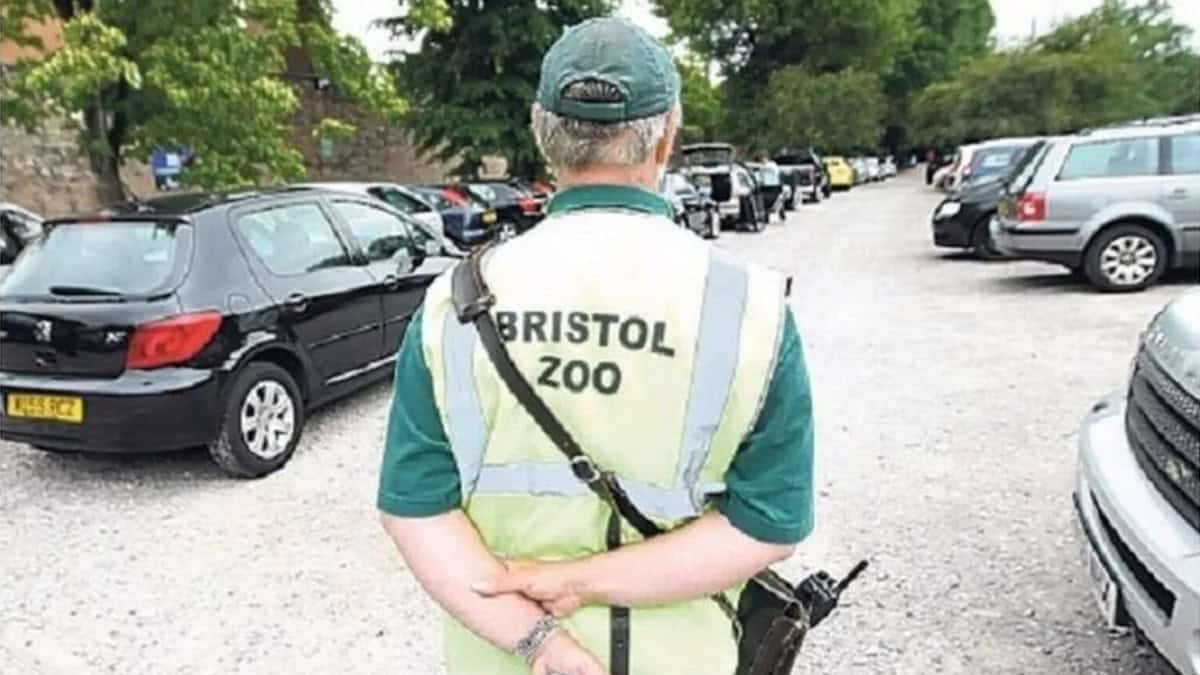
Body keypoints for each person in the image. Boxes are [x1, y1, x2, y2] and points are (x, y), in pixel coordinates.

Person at [377, 16, 816, 675]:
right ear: (667, 135)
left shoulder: (453, 300)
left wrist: (543, 643)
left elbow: (416, 512)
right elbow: (769, 523)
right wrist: (585, 580)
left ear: (541, 131)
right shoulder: (749, 307)